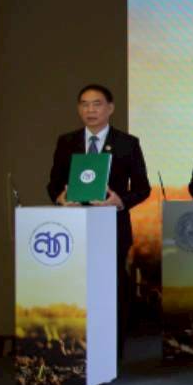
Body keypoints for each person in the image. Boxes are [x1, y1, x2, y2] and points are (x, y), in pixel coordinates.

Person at [46, 83, 152, 357]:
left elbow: (143, 188)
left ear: (110, 108)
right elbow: (53, 184)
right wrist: (59, 198)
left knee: (113, 288)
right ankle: (78, 349)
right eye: (84, 104)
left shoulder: (127, 143)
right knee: (78, 287)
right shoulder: (66, 142)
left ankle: (111, 351)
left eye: (96, 104)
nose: (90, 110)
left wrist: (120, 201)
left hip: (112, 228)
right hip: (74, 228)